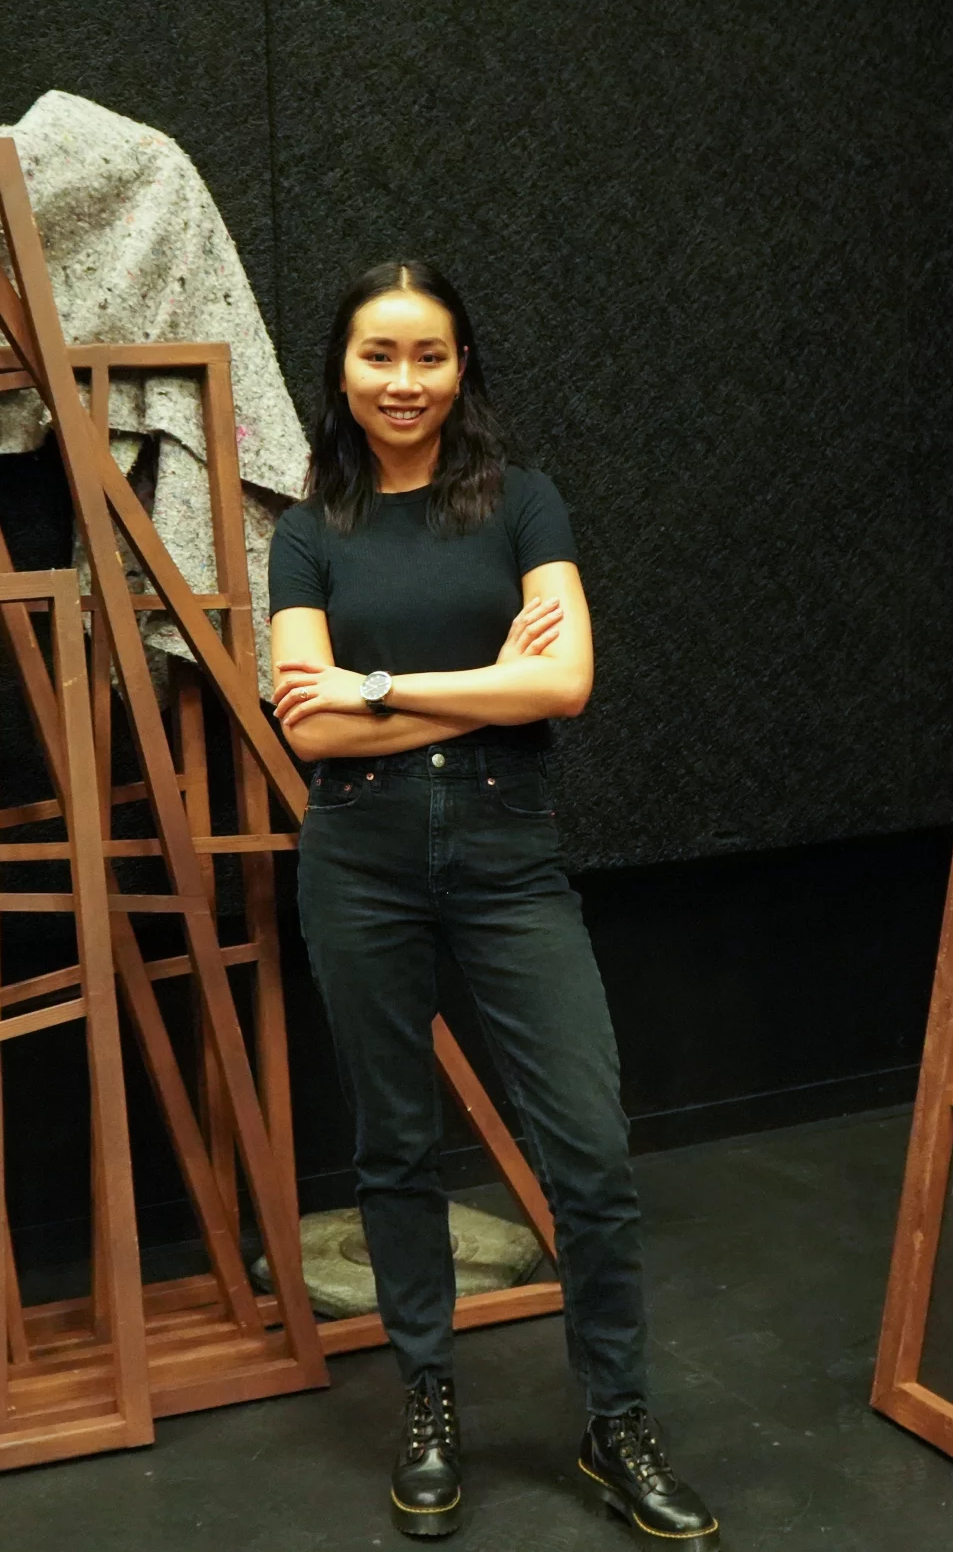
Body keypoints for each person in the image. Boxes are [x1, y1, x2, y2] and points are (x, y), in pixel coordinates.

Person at [267, 261, 721, 1546]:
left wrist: (376, 688)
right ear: (340, 372)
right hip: (358, 859)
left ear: (462, 368)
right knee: (394, 1145)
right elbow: (303, 724)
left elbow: (566, 684)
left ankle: (614, 1417)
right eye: (377, 356)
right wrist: (460, 685)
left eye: (428, 356)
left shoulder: (523, 504)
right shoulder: (309, 529)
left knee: (587, 1144)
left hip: (511, 858)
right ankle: (426, 1395)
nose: (402, 382)